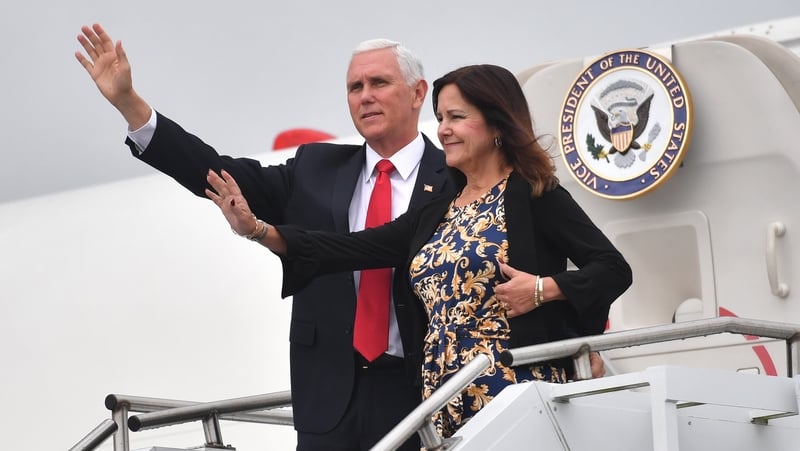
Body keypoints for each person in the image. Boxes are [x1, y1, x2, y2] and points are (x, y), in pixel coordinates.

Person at [75, 23, 456, 450]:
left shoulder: (456, 178)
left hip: (422, 392)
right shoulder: (316, 168)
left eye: (379, 83)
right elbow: (216, 172)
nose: (364, 96)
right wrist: (130, 104)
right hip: (328, 399)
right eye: (355, 87)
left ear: (418, 93)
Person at [205, 64, 633, 438]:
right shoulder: (436, 211)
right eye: (441, 117)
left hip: (516, 395)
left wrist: (542, 289)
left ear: (497, 125)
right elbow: (345, 248)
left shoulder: (534, 194)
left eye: (457, 117)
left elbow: (612, 268)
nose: (442, 129)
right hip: (443, 405)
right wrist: (257, 230)